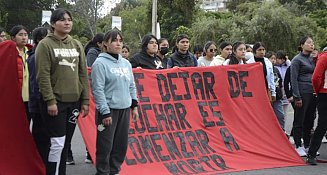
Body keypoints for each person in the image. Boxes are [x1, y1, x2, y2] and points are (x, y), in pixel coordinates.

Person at [35, 8, 89, 175]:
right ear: (53, 24)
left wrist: (85, 100)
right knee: (57, 143)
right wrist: (50, 100)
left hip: (74, 101)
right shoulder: (45, 45)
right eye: (62, 19)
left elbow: (82, 73)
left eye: (69, 19)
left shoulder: (76, 44)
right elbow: (42, 75)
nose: (67, 22)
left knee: (65, 143)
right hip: (54, 103)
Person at [91, 30, 139, 175]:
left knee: (120, 146)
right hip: (108, 112)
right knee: (105, 146)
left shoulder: (126, 63)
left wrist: (134, 106)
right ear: (105, 43)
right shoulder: (99, 64)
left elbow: (131, 85)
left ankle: (114, 171)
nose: (118, 43)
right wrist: (105, 113)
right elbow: (98, 90)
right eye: (114, 40)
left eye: (120, 40)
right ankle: (102, 172)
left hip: (124, 110)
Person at [290, 36, 317, 157]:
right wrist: (296, 96)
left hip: (313, 92)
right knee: (299, 119)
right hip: (302, 92)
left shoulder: (313, 59)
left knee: (310, 119)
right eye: (309, 43)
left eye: (312, 43)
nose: (312, 45)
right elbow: (293, 79)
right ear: (302, 45)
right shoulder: (296, 60)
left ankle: (307, 145)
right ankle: (298, 145)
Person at [27, 27, 49, 164]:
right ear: (40, 39)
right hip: (39, 105)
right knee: (41, 137)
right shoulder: (35, 57)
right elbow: (36, 84)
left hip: (41, 103)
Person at [307, 50, 327, 165]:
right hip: (324, 94)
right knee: (322, 125)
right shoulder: (324, 58)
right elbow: (315, 77)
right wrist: (318, 90)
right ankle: (312, 153)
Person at [10, 25, 33, 123]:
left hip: (30, 97)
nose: (24, 37)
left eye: (26, 35)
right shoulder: (9, 54)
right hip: (14, 97)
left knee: (27, 123)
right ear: (13, 38)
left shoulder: (31, 53)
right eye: (20, 35)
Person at [267, 51, 285, 129]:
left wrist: (282, 93)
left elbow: (280, 83)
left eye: (274, 58)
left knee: (280, 116)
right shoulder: (264, 70)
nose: (273, 60)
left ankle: (282, 131)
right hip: (268, 97)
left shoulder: (276, 70)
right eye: (271, 58)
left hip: (277, 97)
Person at [275, 50, 291, 119]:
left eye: (283, 59)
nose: (281, 60)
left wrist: (287, 60)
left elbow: (291, 66)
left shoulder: (286, 67)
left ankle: (283, 128)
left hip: (286, 91)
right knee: (277, 112)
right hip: (278, 91)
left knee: (284, 113)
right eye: (279, 58)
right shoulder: (274, 67)